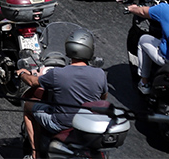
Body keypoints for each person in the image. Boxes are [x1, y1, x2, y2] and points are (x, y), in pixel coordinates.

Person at [18, 28, 109, 158]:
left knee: (28, 106)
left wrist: (22, 74)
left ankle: (34, 155)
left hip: (60, 124)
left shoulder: (57, 74)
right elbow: (103, 98)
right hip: (87, 125)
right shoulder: (100, 74)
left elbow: (33, 82)